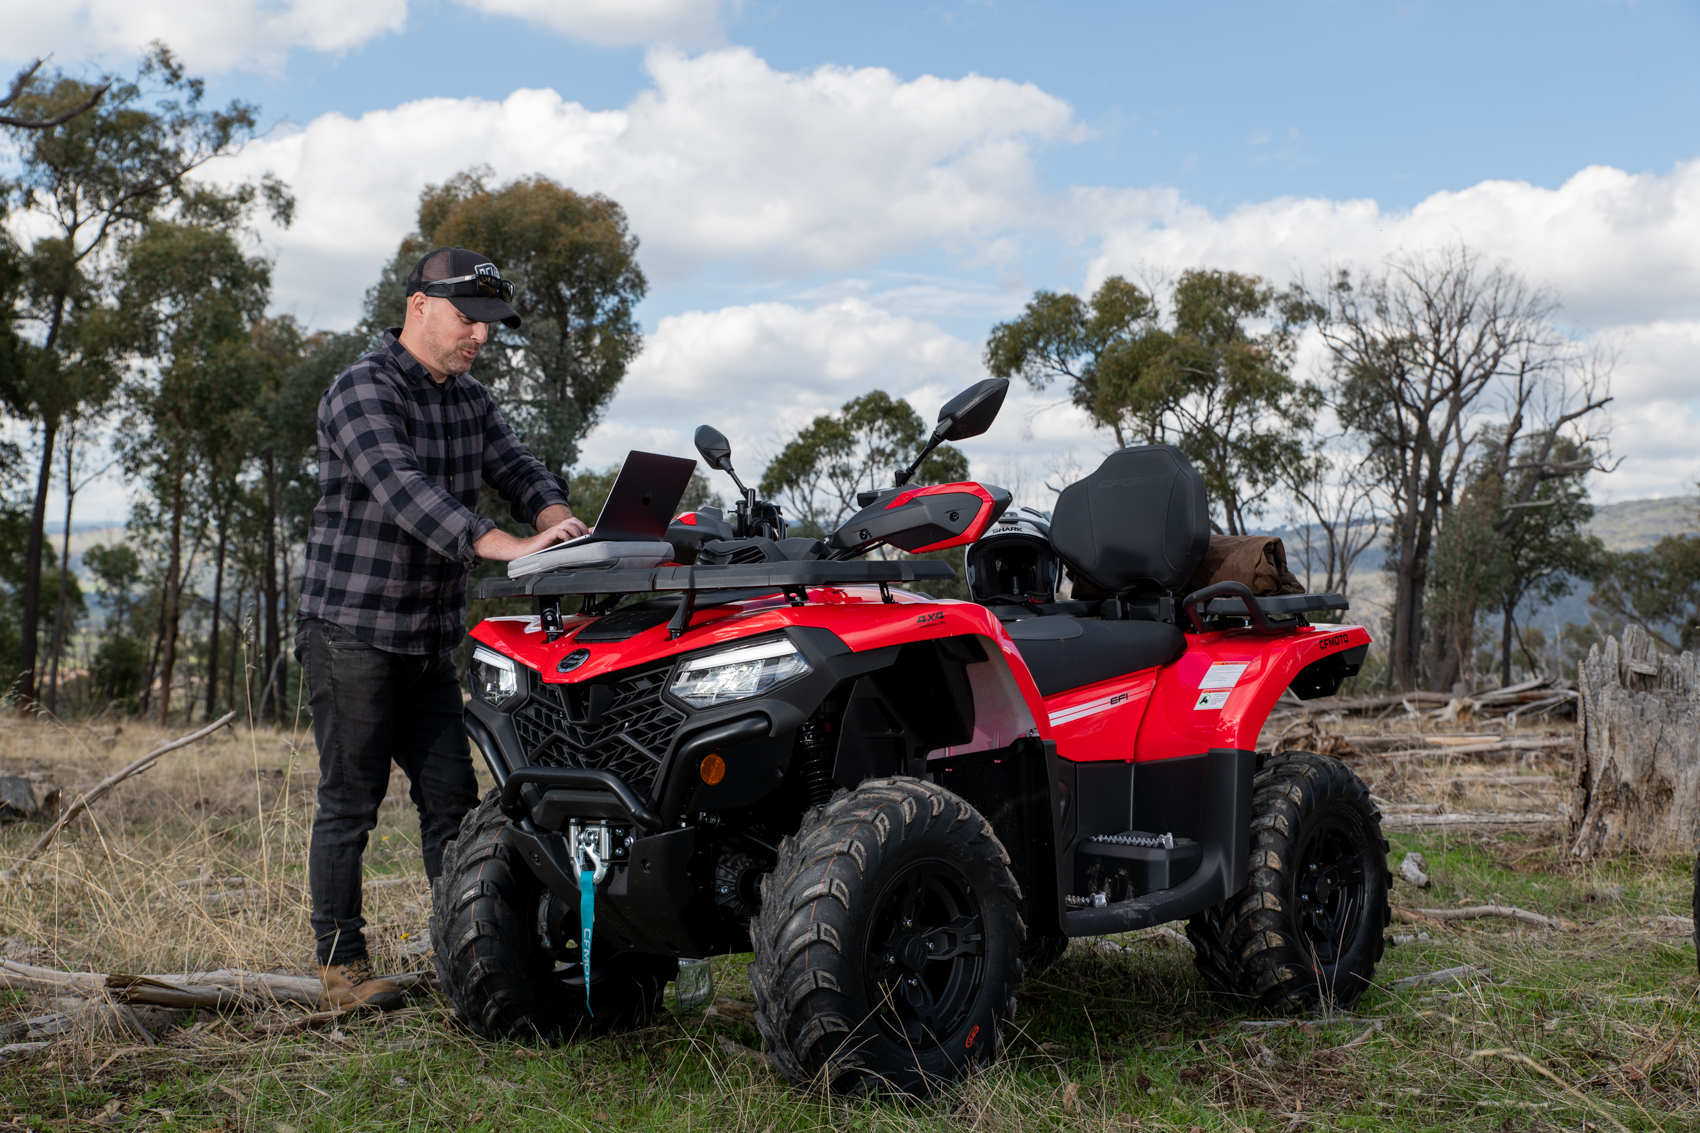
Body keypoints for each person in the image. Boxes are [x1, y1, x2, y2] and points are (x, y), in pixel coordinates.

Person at [295, 247, 587, 1010]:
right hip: (350, 630)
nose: (481, 337)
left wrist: (556, 520)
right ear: (419, 306)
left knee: (453, 805)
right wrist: (505, 544)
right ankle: (340, 969)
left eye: (490, 324)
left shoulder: (469, 400)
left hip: (427, 637)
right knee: (350, 801)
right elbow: (403, 488)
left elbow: (519, 468)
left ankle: (464, 952)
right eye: (469, 318)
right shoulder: (361, 388)